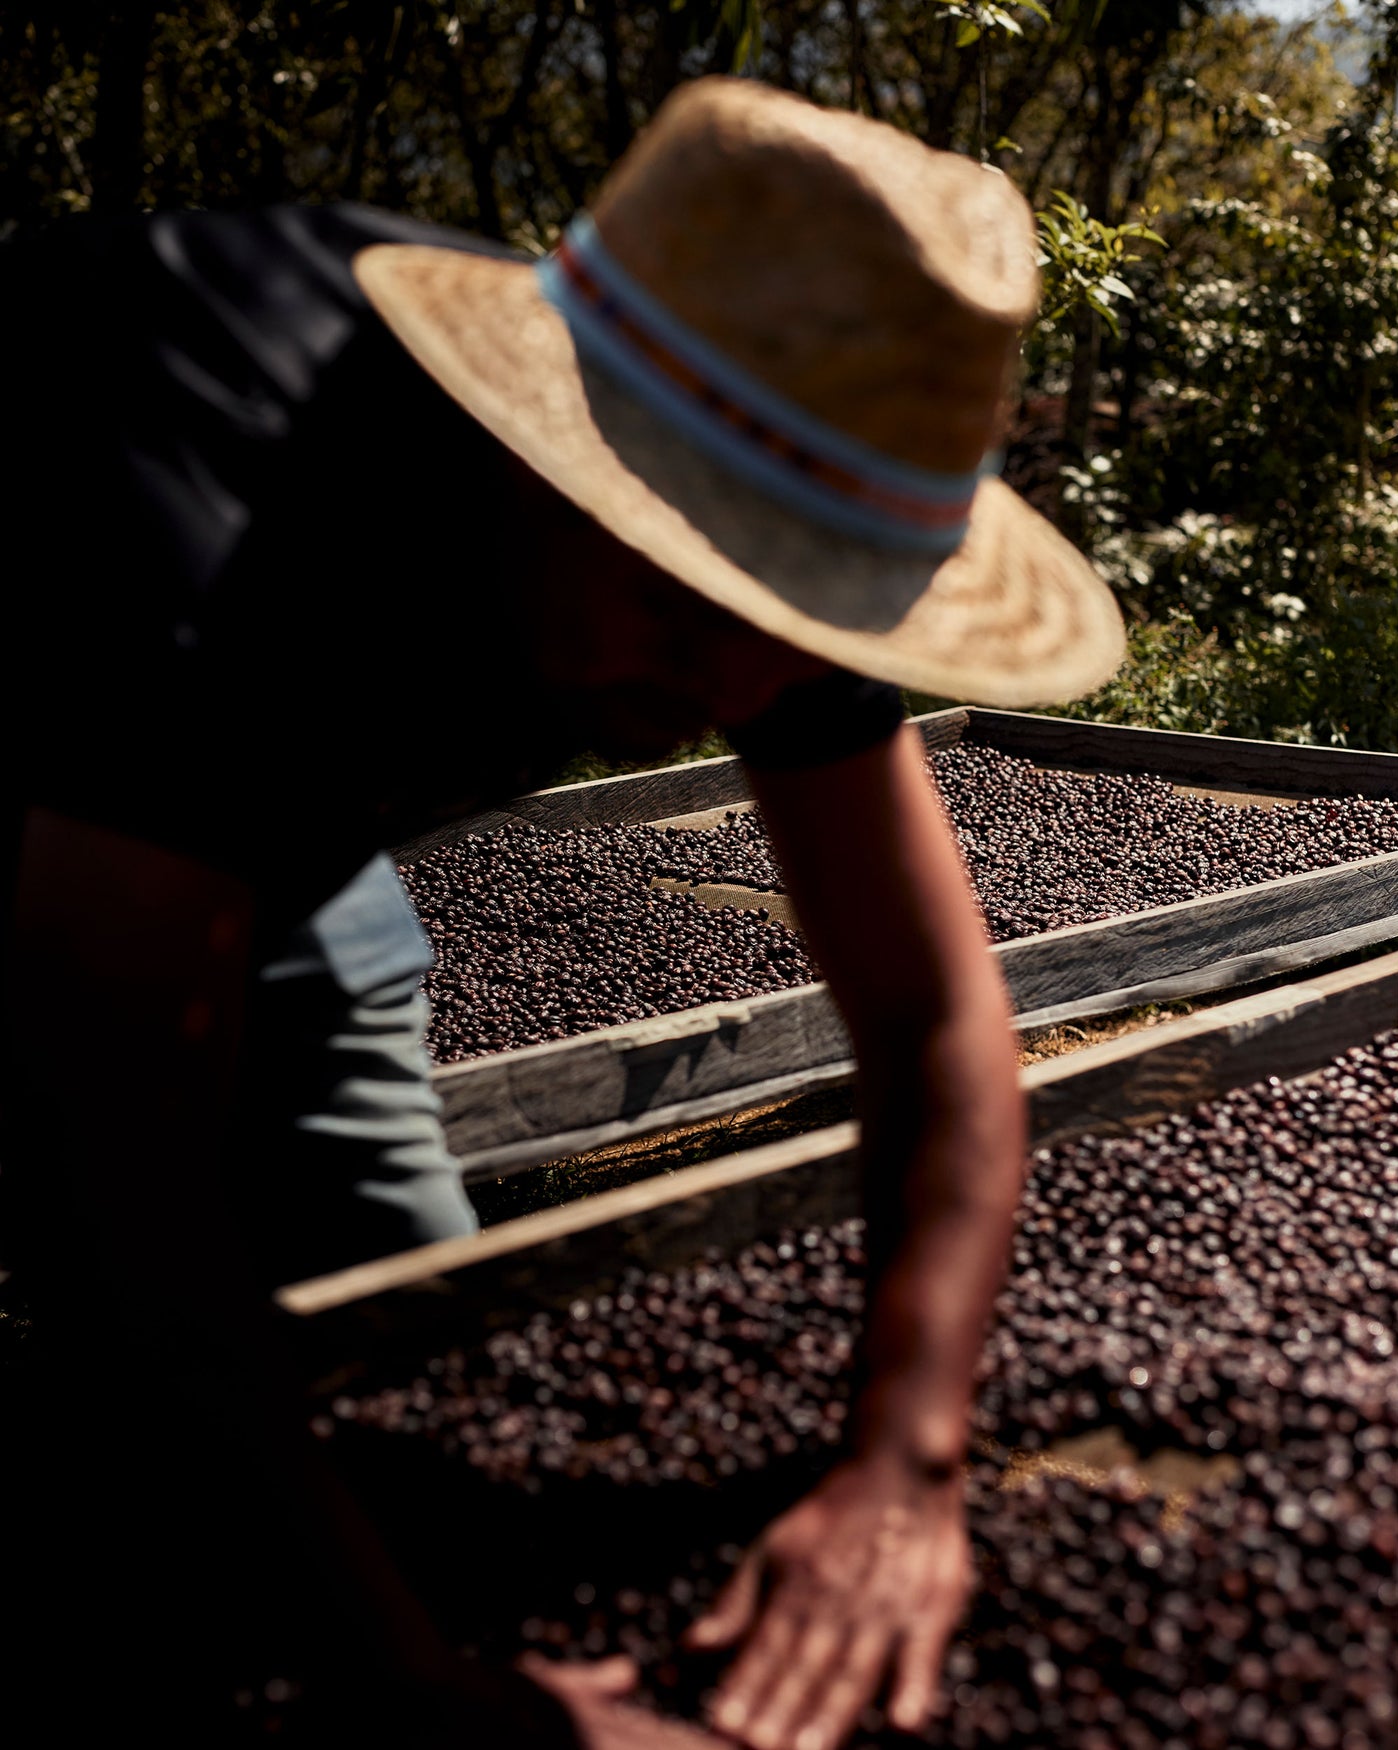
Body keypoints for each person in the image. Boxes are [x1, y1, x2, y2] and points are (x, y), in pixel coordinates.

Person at [0, 77, 1123, 1749]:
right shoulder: (196, 496)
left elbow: (934, 1021)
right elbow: (118, 1190)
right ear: (534, 442)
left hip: (275, 854)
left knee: (414, 1396)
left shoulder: (756, 492)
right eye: (687, 585)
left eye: (792, 616)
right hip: (91, 791)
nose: (735, 679)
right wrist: (429, 1693)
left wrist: (904, 1459)